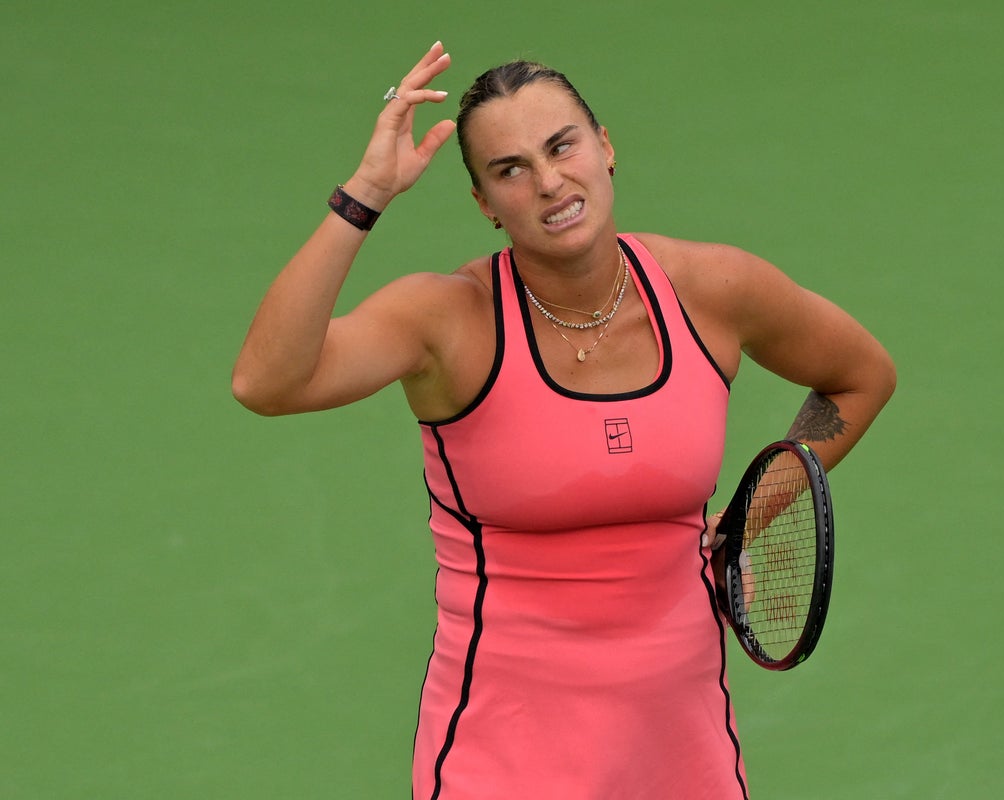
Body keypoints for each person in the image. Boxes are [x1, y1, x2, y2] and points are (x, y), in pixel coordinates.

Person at [232, 41, 895, 800]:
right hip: (503, 758)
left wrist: (751, 513)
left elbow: (860, 376)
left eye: (561, 146)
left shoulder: (712, 288)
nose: (549, 182)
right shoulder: (449, 320)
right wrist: (367, 193)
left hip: (683, 753)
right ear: (484, 203)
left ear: (605, 147)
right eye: (510, 169)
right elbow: (267, 381)